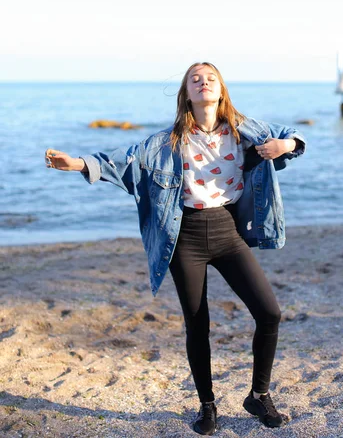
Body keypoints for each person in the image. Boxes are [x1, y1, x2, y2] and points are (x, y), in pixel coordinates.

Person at [44, 62, 306, 435]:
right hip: (185, 237)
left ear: (221, 89)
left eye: (210, 78)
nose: (203, 82)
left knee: (269, 313)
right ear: (187, 92)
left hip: (228, 232)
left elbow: (291, 138)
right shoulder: (166, 142)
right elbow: (124, 160)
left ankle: (259, 395)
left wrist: (284, 145)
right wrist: (77, 164)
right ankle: (207, 405)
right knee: (197, 324)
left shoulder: (247, 130)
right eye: (195, 79)